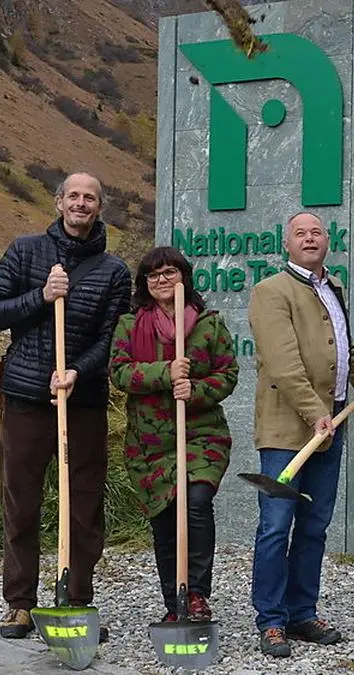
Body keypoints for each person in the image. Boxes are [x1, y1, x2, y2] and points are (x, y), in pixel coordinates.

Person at [0, 172, 131, 640]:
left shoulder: (114, 271)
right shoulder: (26, 251)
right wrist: (41, 297)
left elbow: (111, 338)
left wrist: (77, 372)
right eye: (74, 196)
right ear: (58, 201)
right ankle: (20, 603)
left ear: (99, 207)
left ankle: (77, 600)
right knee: (21, 502)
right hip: (26, 396)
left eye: (90, 197)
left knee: (84, 505)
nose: (81, 204)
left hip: (82, 401)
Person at [247, 211, 354, 657]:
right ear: (287, 243)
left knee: (315, 525)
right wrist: (314, 412)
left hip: (331, 422)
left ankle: (302, 611)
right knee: (276, 525)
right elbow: (283, 364)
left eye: (317, 232)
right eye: (300, 233)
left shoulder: (331, 287)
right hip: (288, 431)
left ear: (328, 241)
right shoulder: (271, 292)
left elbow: (343, 343)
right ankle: (271, 620)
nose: (310, 238)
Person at [108, 246, 239, 623]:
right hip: (150, 444)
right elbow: (119, 374)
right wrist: (166, 373)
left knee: (196, 502)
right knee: (164, 518)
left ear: (184, 277)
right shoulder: (130, 326)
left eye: (170, 273)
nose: (162, 280)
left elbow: (228, 374)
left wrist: (195, 391)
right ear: (144, 284)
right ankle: (174, 602)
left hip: (201, 436)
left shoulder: (208, 324)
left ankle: (196, 593)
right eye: (154, 275)